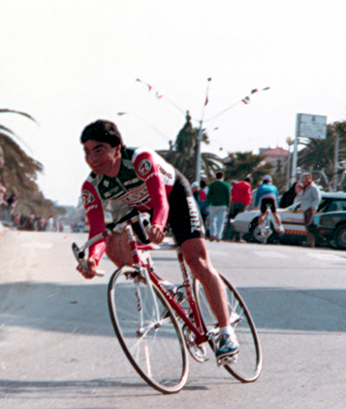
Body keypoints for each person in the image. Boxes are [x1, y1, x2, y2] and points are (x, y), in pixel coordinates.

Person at [76, 120, 239, 360]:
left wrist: (158, 226)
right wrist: (92, 259)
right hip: (144, 208)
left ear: (117, 148)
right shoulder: (91, 186)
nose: (91, 157)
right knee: (113, 243)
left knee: (196, 261)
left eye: (98, 149)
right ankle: (168, 289)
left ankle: (226, 332)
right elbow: (97, 232)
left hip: (174, 197)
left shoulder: (140, 159)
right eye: (87, 152)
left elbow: (161, 200)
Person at [206, 171, 231, 242]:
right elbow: (228, 196)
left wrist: (207, 204)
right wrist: (228, 205)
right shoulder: (226, 185)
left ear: (216, 177)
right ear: (222, 177)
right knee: (221, 221)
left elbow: (209, 196)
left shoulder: (212, 185)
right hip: (223, 205)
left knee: (212, 220)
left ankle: (212, 234)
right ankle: (219, 236)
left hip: (213, 205)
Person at [299, 172, 321, 248]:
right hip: (305, 209)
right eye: (304, 178)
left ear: (310, 178)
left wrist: (312, 207)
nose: (305, 179)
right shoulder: (306, 188)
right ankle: (308, 241)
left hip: (310, 209)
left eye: (306, 178)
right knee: (307, 226)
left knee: (310, 225)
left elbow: (317, 199)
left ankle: (311, 242)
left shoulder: (313, 187)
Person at [227, 177, 252, 241]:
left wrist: (230, 203)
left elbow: (231, 193)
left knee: (231, 218)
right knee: (239, 219)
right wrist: (247, 204)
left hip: (234, 203)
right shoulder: (247, 185)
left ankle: (228, 236)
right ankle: (237, 237)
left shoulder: (236, 184)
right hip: (242, 204)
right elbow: (248, 195)